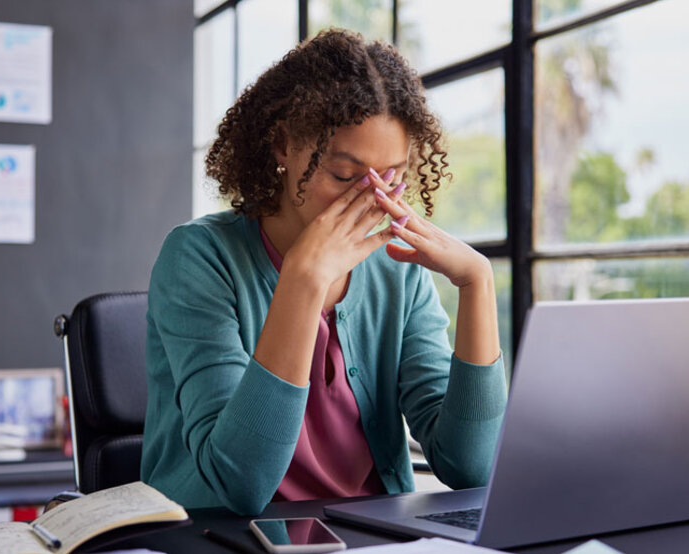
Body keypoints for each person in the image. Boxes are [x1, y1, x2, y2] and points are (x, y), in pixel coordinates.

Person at [141, 29, 507, 516]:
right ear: (282, 147)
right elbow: (239, 483)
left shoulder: (397, 270)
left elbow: (472, 466)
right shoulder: (198, 258)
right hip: (227, 536)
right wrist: (303, 281)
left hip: (376, 539)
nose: (373, 200)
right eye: (344, 176)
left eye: (392, 178)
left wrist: (476, 283)